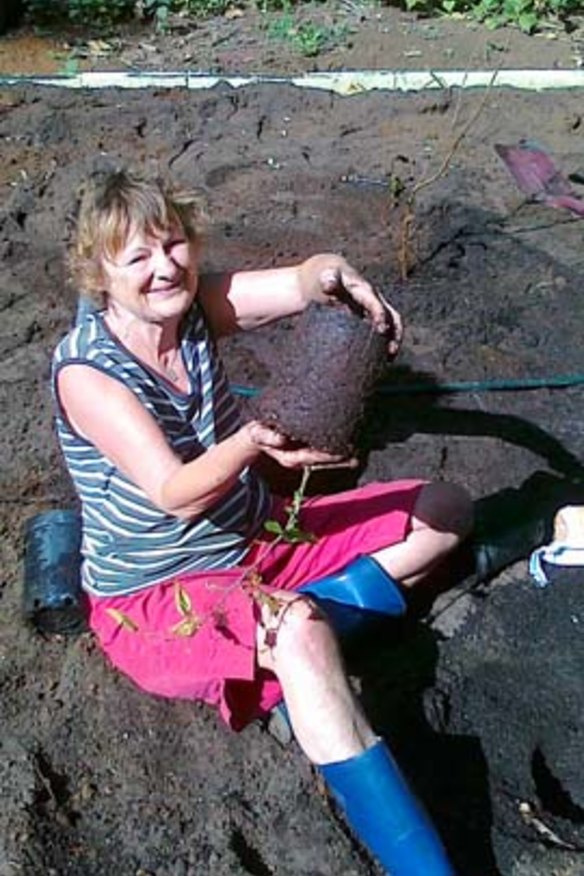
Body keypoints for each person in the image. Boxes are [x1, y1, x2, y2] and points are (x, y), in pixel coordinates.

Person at [52, 169, 473, 875]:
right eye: (138, 257)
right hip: (164, 592)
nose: (166, 268)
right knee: (302, 633)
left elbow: (302, 281)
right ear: (98, 272)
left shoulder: (191, 309)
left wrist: (335, 276)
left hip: (258, 536)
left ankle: (293, 673)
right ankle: (422, 866)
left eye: (175, 243)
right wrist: (254, 439)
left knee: (446, 511)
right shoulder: (88, 373)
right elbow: (175, 493)